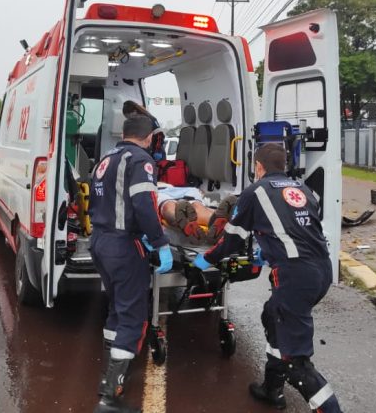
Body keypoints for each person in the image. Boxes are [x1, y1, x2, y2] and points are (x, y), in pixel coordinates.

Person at [192, 143, 342, 412]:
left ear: (258, 166)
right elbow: (297, 229)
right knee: (273, 316)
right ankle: (272, 389)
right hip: (321, 271)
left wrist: (205, 260)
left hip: (295, 276)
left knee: (297, 362)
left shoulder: (255, 192)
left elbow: (232, 240)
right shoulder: (303, 189)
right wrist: (269, 251)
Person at [89, 115, 174, 413]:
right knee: (133, 318)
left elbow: (96, 204)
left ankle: (107, 380)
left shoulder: (106, 158)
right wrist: (160, 241)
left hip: (100, 241)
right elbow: (145, 203)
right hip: (123, 246)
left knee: (117, 310)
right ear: (149, 137)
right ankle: (109, 398)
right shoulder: (141, 159)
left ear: (124, 133)